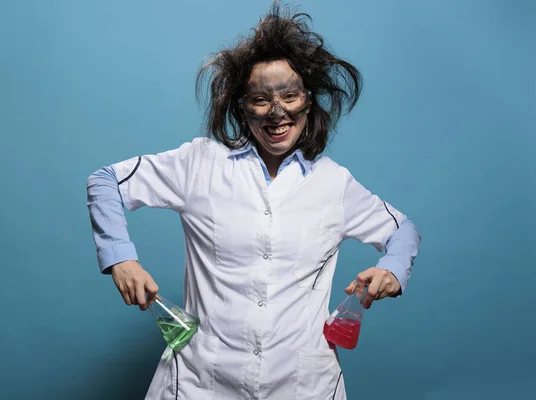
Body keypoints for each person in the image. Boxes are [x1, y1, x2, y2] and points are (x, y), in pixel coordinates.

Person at [86, 3, 421, 399]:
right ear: (242, 108)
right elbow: (105, 181)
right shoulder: (199, 163)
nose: (276, 113)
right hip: (201, 383)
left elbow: (403, 230)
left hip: (302, 386)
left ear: (308, 101)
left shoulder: (335, 183)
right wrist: (120, 257)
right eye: (260, 99)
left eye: (290, 96)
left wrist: (393, 271)